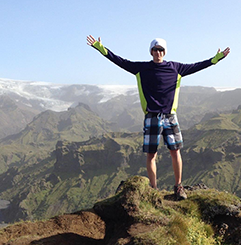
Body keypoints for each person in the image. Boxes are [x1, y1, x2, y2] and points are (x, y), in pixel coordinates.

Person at [87, 35, 230, 200]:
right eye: (155, 49)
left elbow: (198, 66)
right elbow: (120, 61)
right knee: (151, 155)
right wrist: (101, 49)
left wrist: (217, 58)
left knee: (175, 151)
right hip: (152, 117)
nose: (158, 52)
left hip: (170, 116)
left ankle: (178, 186)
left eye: (161, 49)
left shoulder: (176, 68)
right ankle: (153, 190)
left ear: (164, 51)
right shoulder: (141, 68)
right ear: (151, 51)